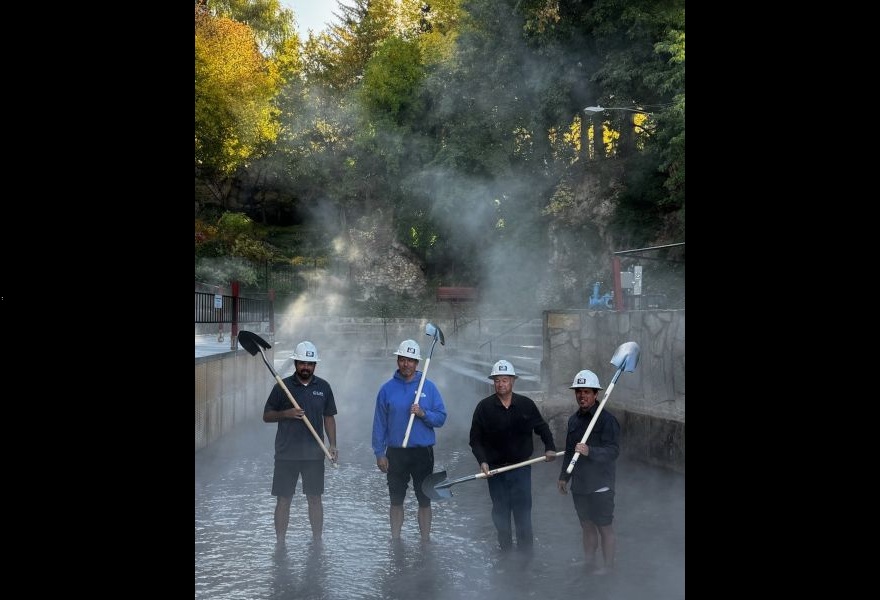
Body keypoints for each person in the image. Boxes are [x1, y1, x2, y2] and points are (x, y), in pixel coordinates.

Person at [469, 359, 557, 553]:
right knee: (500, 514)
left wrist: (550, 447)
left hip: (521, 468)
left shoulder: (526, 404)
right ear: (493, 382)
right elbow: (475, 440)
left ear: (513, 381)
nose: (501, 384)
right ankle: (506, 553)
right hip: (495, 471)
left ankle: (526, 555)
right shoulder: (484, 408)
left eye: (505, 380)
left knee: (523, 514)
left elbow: (542, 428)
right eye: (497, 380)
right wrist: (482, 461)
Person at [263, 340, 339, 548]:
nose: (306, 367)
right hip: (286, 453)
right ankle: (280, 543)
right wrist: (285, 414)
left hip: (314, 454)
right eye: (302, 363)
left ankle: (317, 542)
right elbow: (267, 416)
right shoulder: (282, 387)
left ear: (315, 365)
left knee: (315, 499)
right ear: (296, 363)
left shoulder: (323, 387)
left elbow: (329, 418)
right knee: (283, 499)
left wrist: (332, 445)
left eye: (310, 363)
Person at [372, 339, 447, 541]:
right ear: (398, 360)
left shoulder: (429, 388)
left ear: (417, 363)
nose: (406, 364)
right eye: (403, 359)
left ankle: (425, 541)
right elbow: (379, 424)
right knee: (396, 500)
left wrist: (423, 413)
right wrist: (379, 453)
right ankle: (395, 539)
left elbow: (441, 418)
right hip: (396, 452)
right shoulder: (386, 389)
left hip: (422, 452)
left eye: (411, 360)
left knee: (424, 499)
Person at [556, 369, 620, 575]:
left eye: (586, 392)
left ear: (596, 394)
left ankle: (608, 567)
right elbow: (568, 451)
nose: (581, 396)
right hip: (581, 484)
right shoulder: (574, 420)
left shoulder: (607, 420)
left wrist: (590, 451)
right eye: (578, 392)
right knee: (587, 525)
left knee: (604, 527)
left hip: (601, 484)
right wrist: (564, 476)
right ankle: (589, 562)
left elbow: (613, 452)